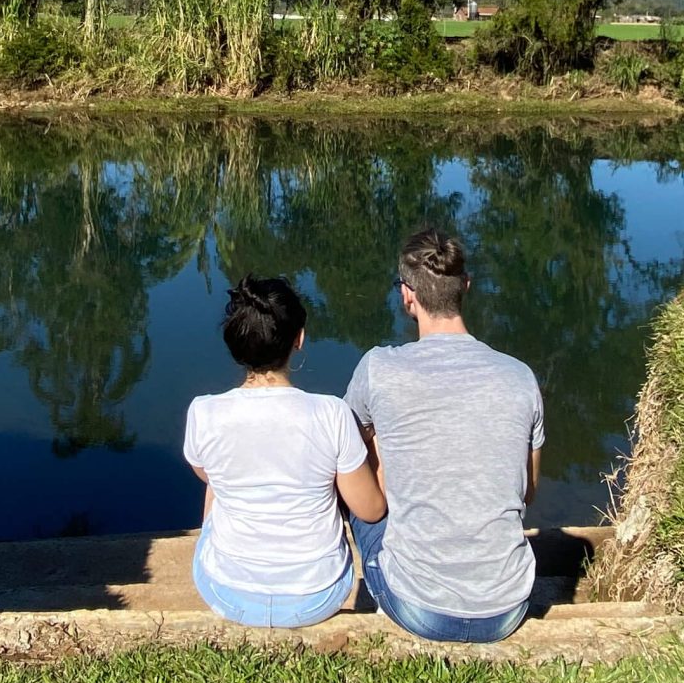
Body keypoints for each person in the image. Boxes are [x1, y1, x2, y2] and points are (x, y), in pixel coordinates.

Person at [345, 227, 542, 644]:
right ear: (465, 287)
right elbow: (527, 492)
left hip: (418, 608)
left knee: (362, 453)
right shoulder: (519, 376)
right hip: (507, 607)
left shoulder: (378, 368)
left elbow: (345, 448)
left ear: (406, 295)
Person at [185, 274, 386, 628]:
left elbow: (206, 475)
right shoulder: (332, 413)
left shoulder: (203, 412)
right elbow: (370, 511)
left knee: (218, 479)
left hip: (226, 592)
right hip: (318, 595)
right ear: (300, 338)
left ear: (236, 345)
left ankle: (238, 558)